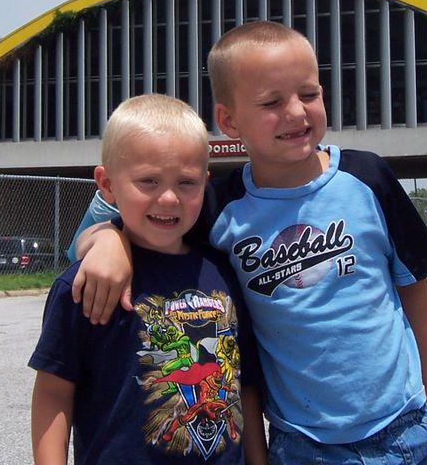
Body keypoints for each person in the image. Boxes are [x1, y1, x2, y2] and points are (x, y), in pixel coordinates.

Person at [72, 21, 427, 464]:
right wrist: (108, 239)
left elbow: (411, 283)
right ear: (229, 121)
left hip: (405, 425)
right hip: (303, 444)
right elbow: (102, 237)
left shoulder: (367, 177)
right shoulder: (219, 208)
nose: (296, 112)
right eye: (272, 102)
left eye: (309, 94)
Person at [29, 94, 267, 465]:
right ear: (107, 184)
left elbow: (244, 384)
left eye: (186, 183)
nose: (169, 198)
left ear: (204, 184)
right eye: (148, 181)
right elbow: (54, 392)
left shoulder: (225, 272)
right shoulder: (85, 283)